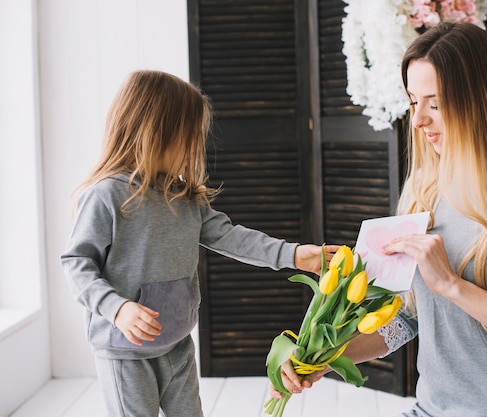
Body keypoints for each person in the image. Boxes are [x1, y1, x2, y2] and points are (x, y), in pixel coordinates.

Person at [271, 22, 487, 417]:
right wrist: (320, 357)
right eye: (413, 101)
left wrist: (452, 286)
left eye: (434, 103)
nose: (418, 121)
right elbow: (405, 317)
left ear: (478, 102)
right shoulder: (423, 190)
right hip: (432, 409)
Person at [60, 70, 338, 417]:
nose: (196, 146)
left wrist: (294, 254)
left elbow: (233, 237)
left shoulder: (184, 198)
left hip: (177, 342)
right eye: (189, 135)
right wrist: (116, 308)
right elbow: (76, 263)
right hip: (124, 349)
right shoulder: (106, 196)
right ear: (156, 131)